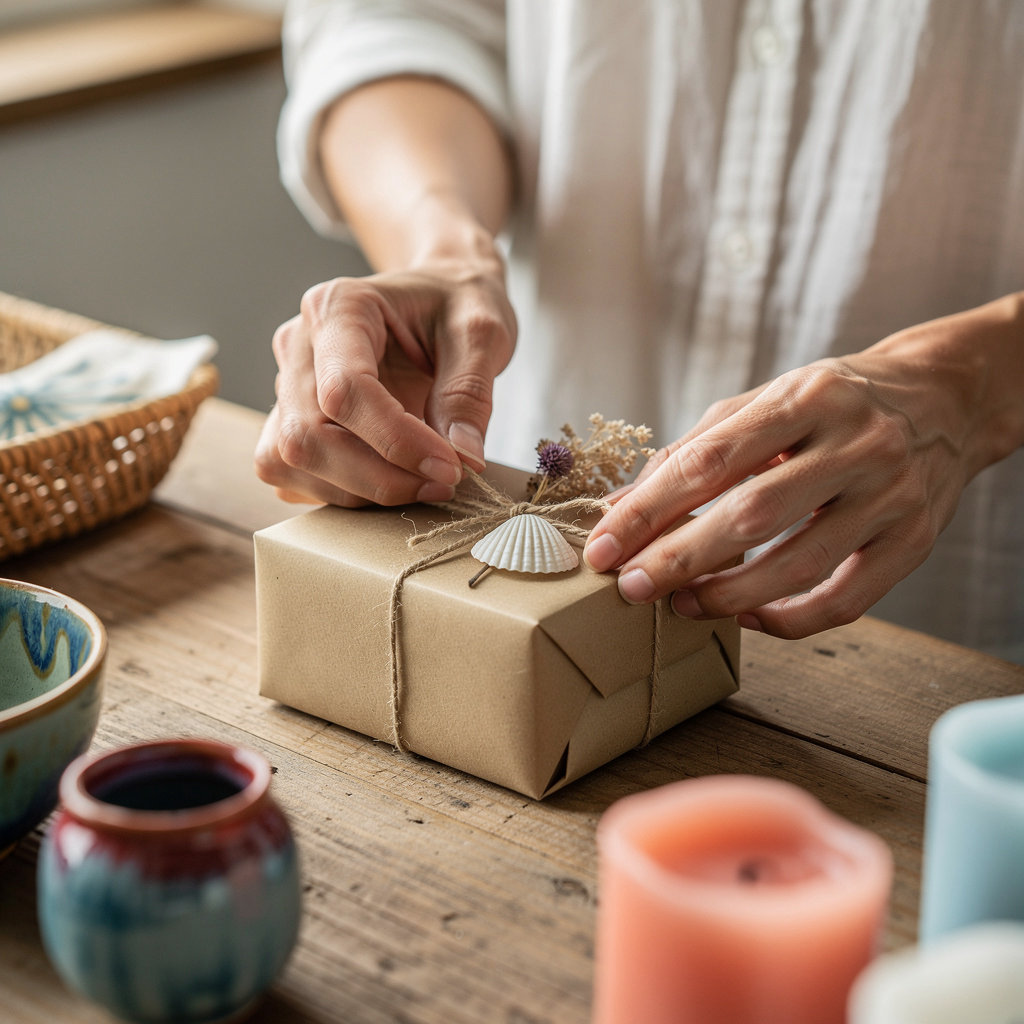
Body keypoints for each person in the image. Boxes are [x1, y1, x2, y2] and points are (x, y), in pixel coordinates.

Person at [256, 0, 1024, 662]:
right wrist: (444, 247)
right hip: (518, 525)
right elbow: (400, 20)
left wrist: (972, 381)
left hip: (943, 627)